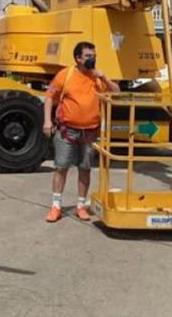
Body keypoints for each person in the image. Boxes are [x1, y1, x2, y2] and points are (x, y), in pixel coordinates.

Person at [41, 41, 119, 223]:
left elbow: (117, 93)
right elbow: (49, 97)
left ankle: (80, 206)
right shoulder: (65, 74)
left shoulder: (97, 77)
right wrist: (47, 121)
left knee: (85, 168)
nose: (92, 59)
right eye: (88, 56)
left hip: (89, 132)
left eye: (94, 56)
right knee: (61, 167)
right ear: (78, 58)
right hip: (66, 130)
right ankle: (56, 206)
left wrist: (105, 78)